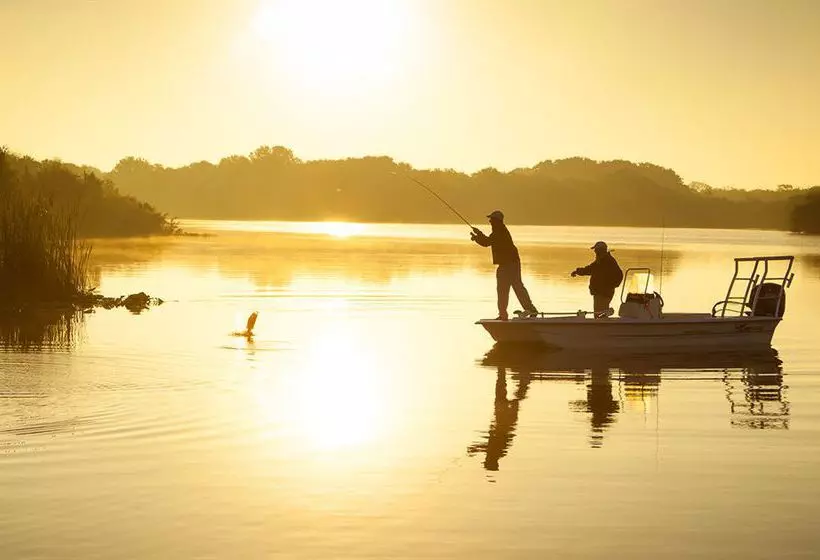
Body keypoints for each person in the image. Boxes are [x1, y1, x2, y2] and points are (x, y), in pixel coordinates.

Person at [471, 210, 538, 320]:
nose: (490, 221)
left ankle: (530, 309)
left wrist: (478, 236)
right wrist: (478, 235)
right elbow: (488, 241)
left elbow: (487, 242)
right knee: (502, 290)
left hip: (511, 263)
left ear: (498, 221)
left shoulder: (500, 231)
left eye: (492, 219)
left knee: (516, 287)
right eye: (490, 220)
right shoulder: (498, 231)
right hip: (504, 264)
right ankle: (503, 315)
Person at [571, 241, 623, 317]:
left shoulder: (607, 261)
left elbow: (619, 275)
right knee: (599, 314)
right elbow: (590, 269)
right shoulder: (600, 261)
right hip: (599, 292)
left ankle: (604, 322)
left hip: (603, 293)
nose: (595, 252)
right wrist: (577, 271)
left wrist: (609, 286)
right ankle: (604, 320)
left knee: (599, 315)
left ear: (600, 250)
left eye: (596, 250)